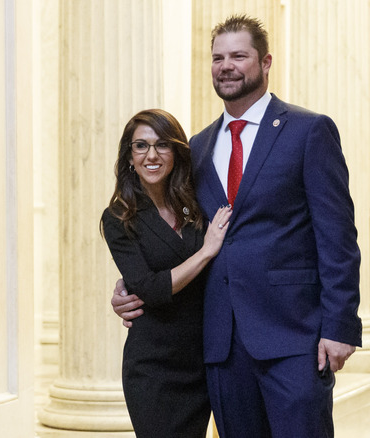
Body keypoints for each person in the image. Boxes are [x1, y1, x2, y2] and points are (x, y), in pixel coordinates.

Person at [112, 15, 362, 437]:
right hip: (221, 343)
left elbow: (337, 237)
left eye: (238, 56)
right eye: (217, 58)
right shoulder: (196, 147)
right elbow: (176, 229)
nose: (226, 66)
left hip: (293, 337)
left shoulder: (308, 131)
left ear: (265, 62)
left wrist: (340, 327)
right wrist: (135, 282)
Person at [100, 109, 233, 438]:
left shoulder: (194, 203)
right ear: (130, 157)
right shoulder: (119, 216)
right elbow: (150, 288)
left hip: (201, 358)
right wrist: (205, 252)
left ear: (176, 152)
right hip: (154, 367)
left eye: (162, 145)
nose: (152, 155)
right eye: (141, 146)